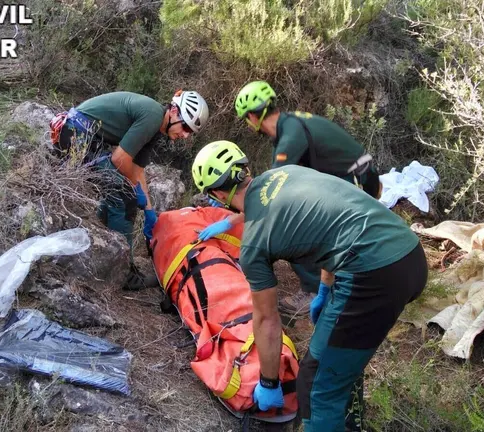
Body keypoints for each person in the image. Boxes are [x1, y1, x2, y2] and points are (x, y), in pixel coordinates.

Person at [191, 140, 427, 432]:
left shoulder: (253, 243)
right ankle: (349, 424)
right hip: (411, 255)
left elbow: (266, 320)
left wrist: (268, 382)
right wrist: (325, 289)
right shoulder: (288, 173)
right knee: (338, 358)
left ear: (216, 194)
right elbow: (335, 220)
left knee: (315, 385)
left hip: (372, 274)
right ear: (245, 168)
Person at [199, 80, 381, 313]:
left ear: (252, 118)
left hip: (355, 184)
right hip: (357, 178)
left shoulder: (289, 139)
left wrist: (229, 221)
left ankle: (315, 289)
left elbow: (270, 201)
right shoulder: (290, 124)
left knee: (288, 229)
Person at [50, 90, 209, 289]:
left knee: (122, 193)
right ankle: (125, 273)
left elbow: (137, 170)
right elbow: (119, 159)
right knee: (124, 197)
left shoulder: (156, 126)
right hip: (75, 135)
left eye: (190, 132)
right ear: (174, 111)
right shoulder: (152, 116)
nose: (185, 134)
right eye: (185, 126)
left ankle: (104, 248)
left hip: (81, 135)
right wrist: (135, 191)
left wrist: (149, 211)